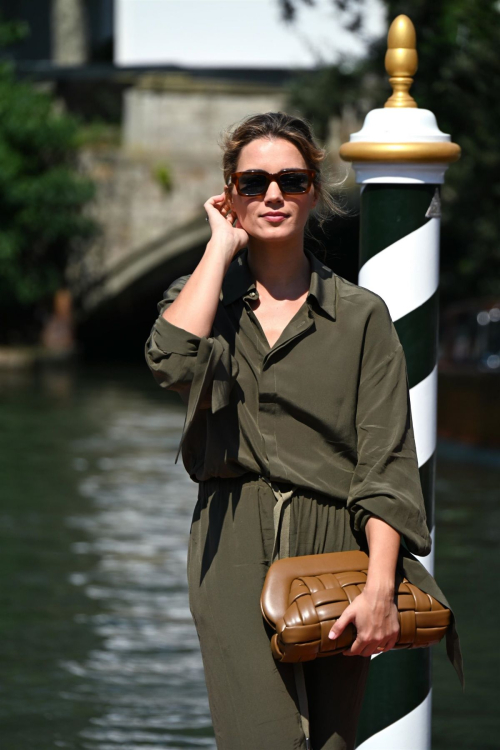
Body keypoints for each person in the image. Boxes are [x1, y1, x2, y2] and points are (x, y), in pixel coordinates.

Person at [144, 112, 463, 750]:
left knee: (330, 745)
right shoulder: (205, 301)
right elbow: (172, 360)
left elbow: (385, 462)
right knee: (263, 740)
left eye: (291, 180)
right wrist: (218, 248)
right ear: (228, 194)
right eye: (252, 181)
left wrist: (380, 589)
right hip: (231, 540)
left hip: (336, 547)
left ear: (314, 189)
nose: (272, 195)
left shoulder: (359, 316)